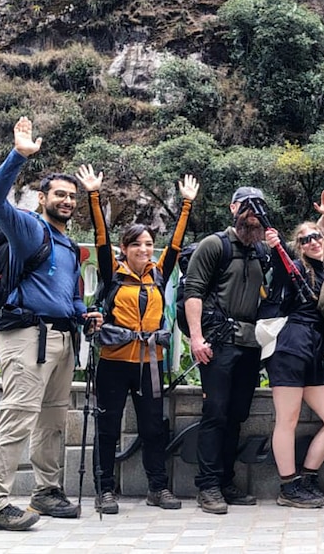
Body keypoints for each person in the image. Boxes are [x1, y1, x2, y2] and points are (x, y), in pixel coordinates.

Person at [0, 117, 103, 531]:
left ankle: (46, 492)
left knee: (52, 421)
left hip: (62, 339)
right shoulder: (29, 230)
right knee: (18, 416)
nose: (67, 201)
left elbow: (69, 295)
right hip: (27, 336)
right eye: (59, 195)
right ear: (42, 199)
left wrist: (84, 313)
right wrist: (19, 155)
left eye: (72, 196)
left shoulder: (69, 245)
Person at [77, 165, 197, 514]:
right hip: (114, 363)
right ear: (125, 248)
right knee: (108, 427)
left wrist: (186, 204)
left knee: (152, 429)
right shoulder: (112, 273)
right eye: (138, 245)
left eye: (149, 244)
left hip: (150, 365)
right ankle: (105, 491)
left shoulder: (159, 274)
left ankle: (157, 488)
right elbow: (100, 238)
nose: (146, 250)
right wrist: (94, 195)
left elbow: (175, 244)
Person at [184, 186, 272, 514]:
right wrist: (196, 338)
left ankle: (224, 481)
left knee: (236, 416)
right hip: (218, 342)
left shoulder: (261, 251)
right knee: (216, 413)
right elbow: (193, 291)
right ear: (234, 210)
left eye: (259, 211)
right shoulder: (214, 245)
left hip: (250, 344)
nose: (253, 217)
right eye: (248, 210)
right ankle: (207, 486)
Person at [261, 190, 324, 509]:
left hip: (315, 352)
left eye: (318, 237)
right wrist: (276, 246)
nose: (314, 241)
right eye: (306, 239)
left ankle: (308, 477)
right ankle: (289, 486)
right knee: (288, 419)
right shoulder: (294, 269)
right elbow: (284, 262)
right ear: (298, 247)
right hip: (290, 347)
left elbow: (319, 241)